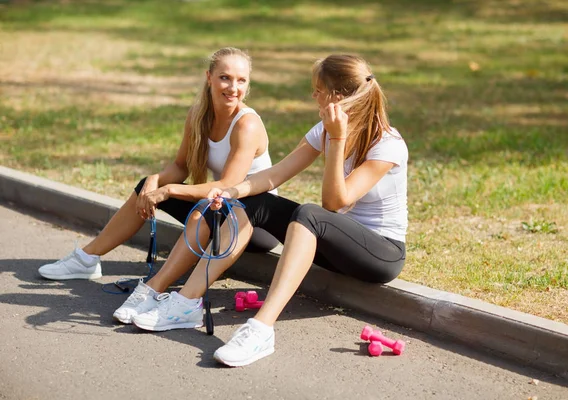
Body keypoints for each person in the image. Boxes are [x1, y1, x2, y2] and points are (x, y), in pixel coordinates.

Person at [132, 54, 408, 367]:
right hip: (336, 248)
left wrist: (338, 138)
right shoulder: (323, 130)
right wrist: (231, 191)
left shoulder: (387, 143)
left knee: (310, 213)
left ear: (337, 98)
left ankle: (261, 330)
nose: (313, 95)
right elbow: (274, 175)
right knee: (255, 201)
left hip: (381, 254)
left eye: (318, 90)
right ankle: (186, 303)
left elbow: (335, 202)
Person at [37, 47, 279, 325]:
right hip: (218, 206)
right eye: (225, 77)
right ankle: (87, 259)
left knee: (202, 208)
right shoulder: (198, 115)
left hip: (256, 224)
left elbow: (227, 185)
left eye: (241, 80)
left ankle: (154, 289)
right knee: (146, 187)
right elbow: (181, 167)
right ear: (209, 77)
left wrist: (169, 190)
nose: (233, 87)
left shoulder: (246, 124)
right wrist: (156, 181)